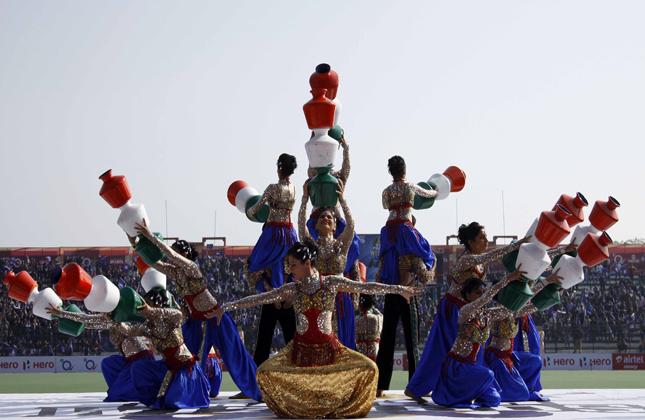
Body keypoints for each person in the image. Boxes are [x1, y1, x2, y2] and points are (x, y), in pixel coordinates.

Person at [207, 238, 423, 419]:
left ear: (307, 263)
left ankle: (340, 409)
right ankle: (298, 408)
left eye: (292, 265)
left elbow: (366, 286)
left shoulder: (331, 284)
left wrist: (400, 289)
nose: (289, 270)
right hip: (299, 352)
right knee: (263, 373)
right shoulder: (293, 288)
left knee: (370, 369)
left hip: (330, 350)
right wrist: (225, 307)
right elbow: (259, 298)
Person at [132, 223, 261, 401]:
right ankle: (186, 390)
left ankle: (255, 389)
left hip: (217, 318)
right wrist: (136, 244)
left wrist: (151, 236)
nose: (172, 257)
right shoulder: (177, 274)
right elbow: (155, 263)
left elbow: (168, 254)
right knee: (187, 359)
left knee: (235, 355)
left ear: (184, 255)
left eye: (176, 253)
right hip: (196, 322)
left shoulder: (192, 268)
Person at [407, 222, 531, 402]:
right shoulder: (467, 259)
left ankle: (468, 387)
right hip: (454, 308)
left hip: (469, 309)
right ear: (471, 242)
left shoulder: (480, 264)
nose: (486, 240)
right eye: (482, 237)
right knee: (444, 348)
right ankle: (419, 388)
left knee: (472, 348)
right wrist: (515, 245)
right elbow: (491, 256)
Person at [375, 155, 438, 396]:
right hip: (408, 295)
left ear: (390, 171)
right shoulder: (411, 250)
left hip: (391, 291)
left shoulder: (389, 252)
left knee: (387, 340)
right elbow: (429, 195)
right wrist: (437, 189)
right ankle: (416, 385)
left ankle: (380, 386)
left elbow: (385, 206)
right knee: (412, 343)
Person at [432, 268, 526, 409]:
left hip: (471, 368)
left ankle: (470, 394)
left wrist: (546, 284)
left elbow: (519, 309)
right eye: (477, 293)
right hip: (458, 368)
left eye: (483, 292)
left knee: (494, 399)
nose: (482, 296)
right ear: (468, 295)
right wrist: (506, 279)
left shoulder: (487, 315)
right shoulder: (464, 312)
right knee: (488, 374)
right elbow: (485, 299)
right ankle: (462, 395)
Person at [305, 133, 361, 350]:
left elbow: (346, 170)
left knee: (350, 257)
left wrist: (346, 148)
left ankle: (352, 295)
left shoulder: (337, 177)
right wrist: (316, 137)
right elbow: (311, 165)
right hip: (317, 223)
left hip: (336, 225)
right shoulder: (315, 174)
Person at [112, 288, 211, 409]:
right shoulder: (148, 327)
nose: (143, 307)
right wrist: (113, 321)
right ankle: (152, 397)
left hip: (185, 369)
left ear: (157, 305)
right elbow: (130, 331)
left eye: (146, 304)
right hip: (168, 368)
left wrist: (153, 311)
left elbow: (178, 313)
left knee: (172, 402)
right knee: (139, 368)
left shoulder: (171, 320)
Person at [244, 153, 298, 370]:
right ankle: (288, 293)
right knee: (292, 263)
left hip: (273, 233)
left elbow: (253, 210)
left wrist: (252, 211)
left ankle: (269, 290)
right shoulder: (294, 189)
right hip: (289, 233)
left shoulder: (272, 188)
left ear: (278, 169)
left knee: (255, 264)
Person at [46, 303, 157, 403]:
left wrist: (61, 313)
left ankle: (130, 392)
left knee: (115, 395)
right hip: (131, 360)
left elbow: (85, 319)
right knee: (108, 363)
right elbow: (87, 324)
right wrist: (61, 315)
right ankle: (121, 387)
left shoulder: (117, 319)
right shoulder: (109, 320)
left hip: (140, 361)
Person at [484, 271, 562, 402]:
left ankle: (529, 389)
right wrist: (545, 282)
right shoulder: (496, 313)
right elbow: (529, 301)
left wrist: (553, 287)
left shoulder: (513, 311)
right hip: (497, 359)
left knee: (535, 361)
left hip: (509, 357)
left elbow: (535, 305)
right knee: (519, 394)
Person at [355, 294, 383, 362]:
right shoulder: (378, 318)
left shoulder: (356, 320)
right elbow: (380, 314)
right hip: (375, 353)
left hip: (360, 354)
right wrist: (372, 307)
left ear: (360, 305)